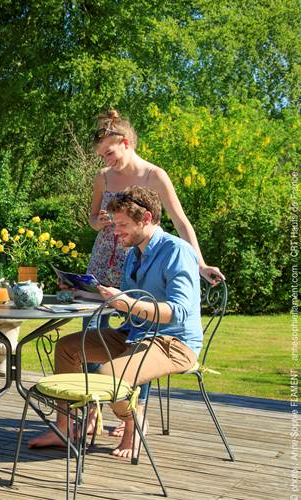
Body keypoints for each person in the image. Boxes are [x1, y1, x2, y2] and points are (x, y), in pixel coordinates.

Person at [28, 186, 202, 458]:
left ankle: (134, 423)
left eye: (122, 224)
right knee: (66, 348)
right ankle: (67, 428)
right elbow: (121, 300)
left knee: (108, 376)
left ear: (145, 218)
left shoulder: (176, 251)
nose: (116, 231)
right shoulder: (135, 253)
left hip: (174, 343)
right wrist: (81, 291)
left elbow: (178, 311)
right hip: (133, 333)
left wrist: (127, 303)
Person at [83, 108, 223, 436]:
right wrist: (98, 222)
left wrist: (199, 264)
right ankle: (93, 410)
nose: (107, 159)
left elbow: (179, 220)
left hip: (142, 257)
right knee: (92, 326)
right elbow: (92, 218)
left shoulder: (153, 176)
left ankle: (133, 415)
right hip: (107, 258)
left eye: (110, 153)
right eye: (102, 155)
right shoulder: (103, 177)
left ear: (127, 142)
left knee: (141, 330)